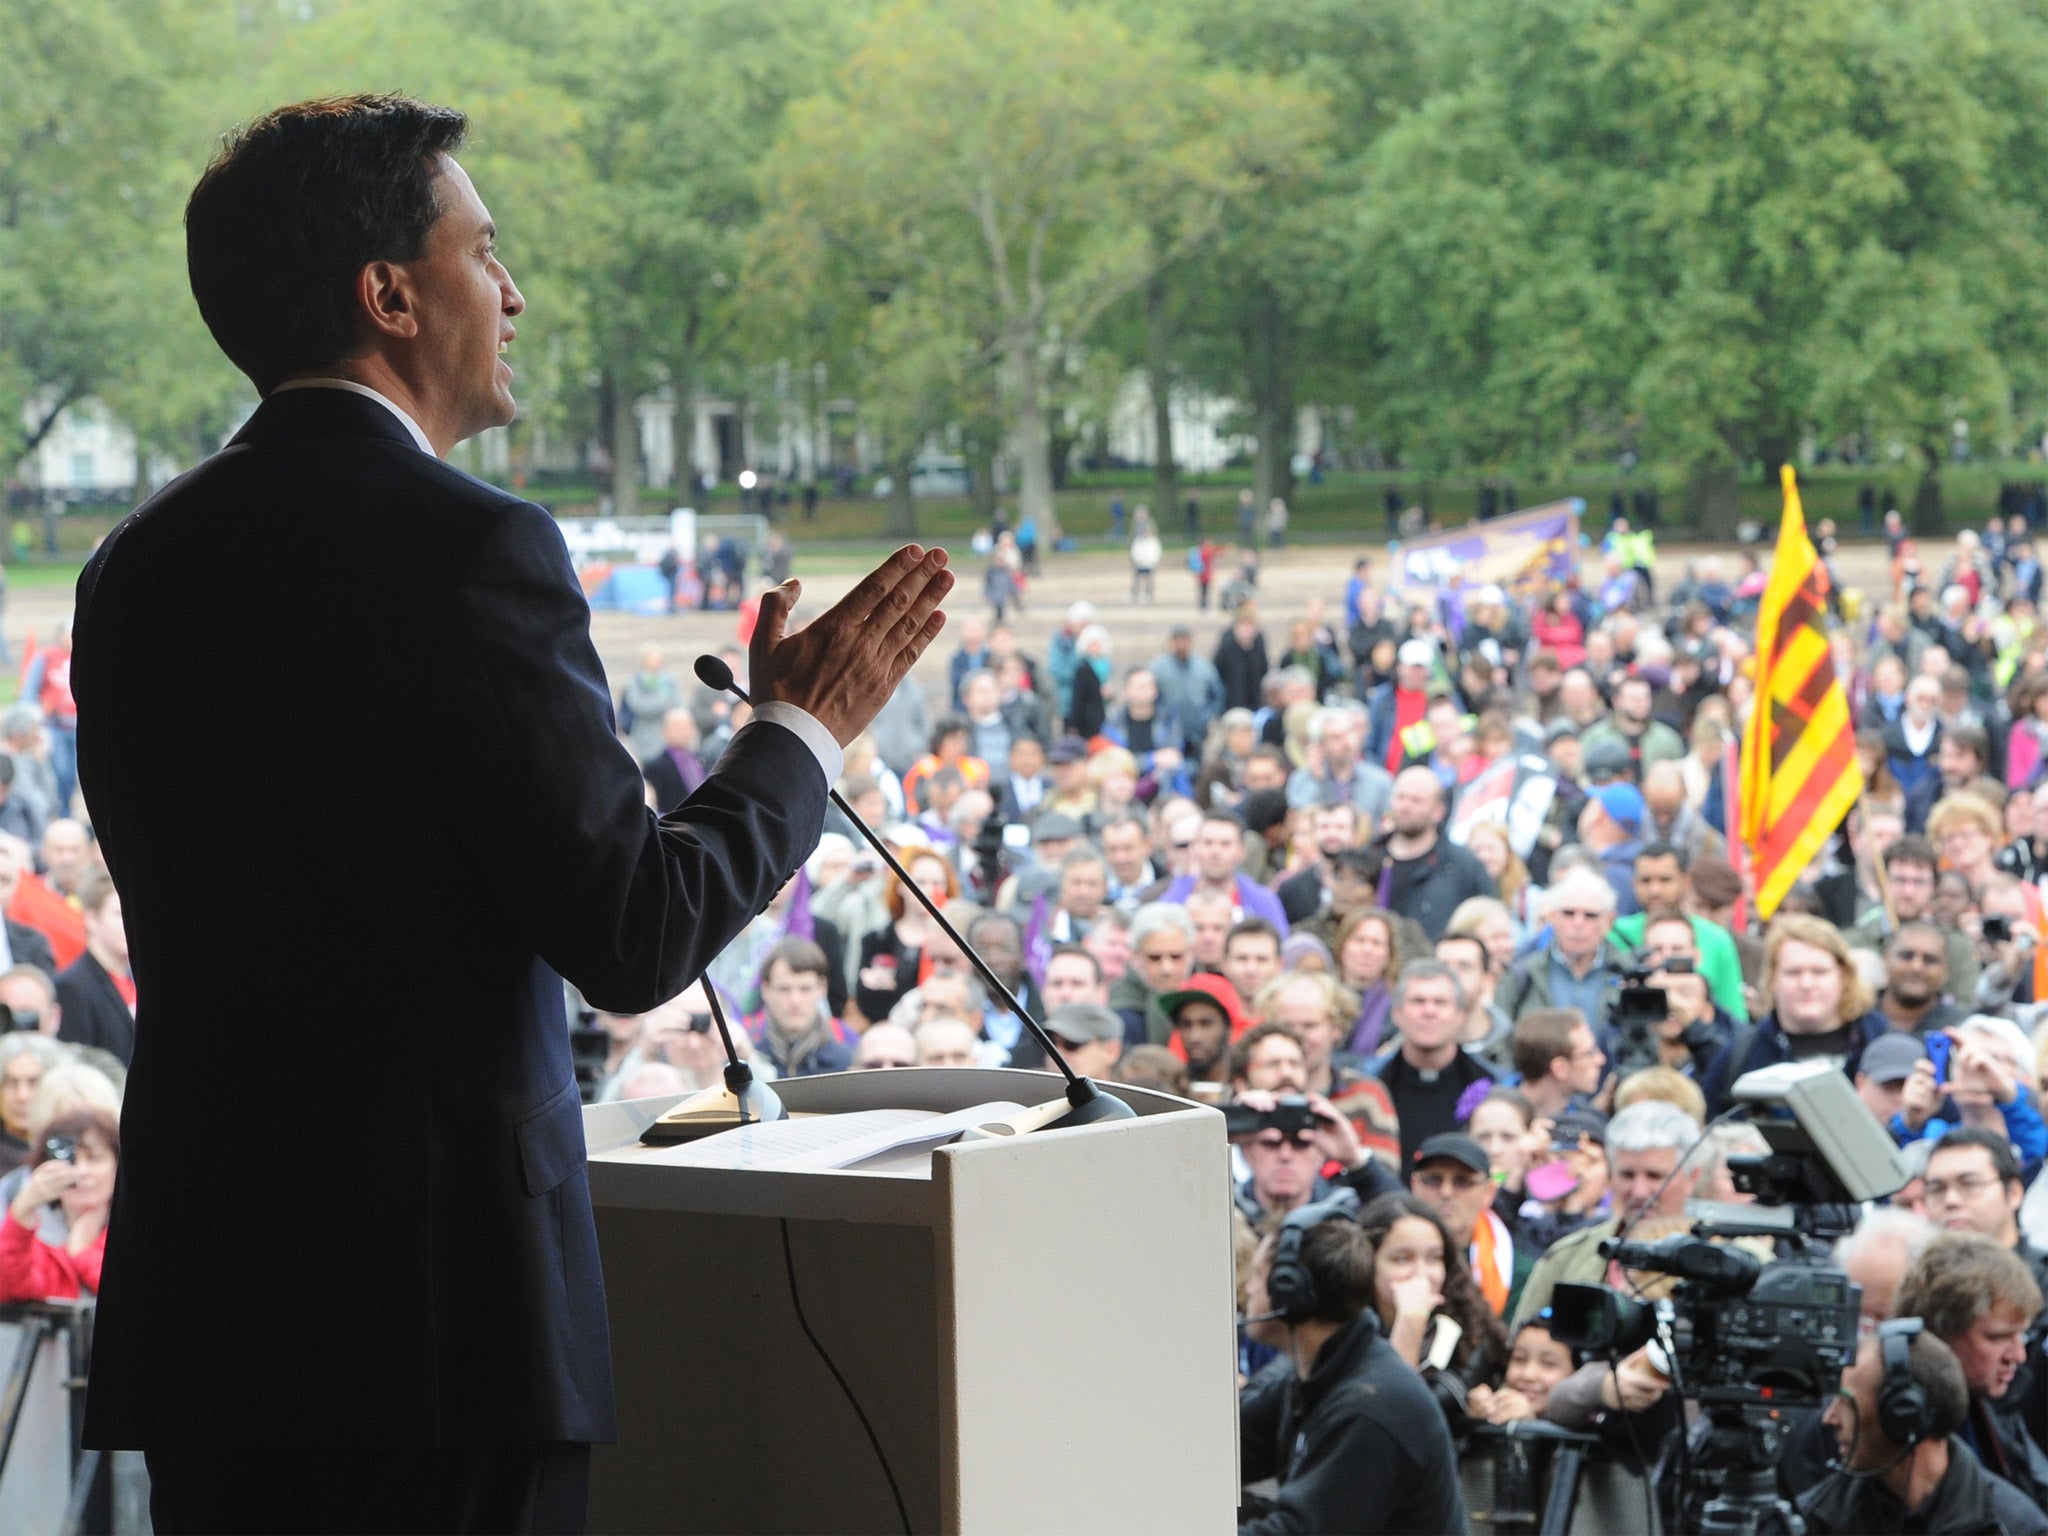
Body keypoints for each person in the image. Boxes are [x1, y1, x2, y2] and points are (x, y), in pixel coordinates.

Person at [76, 95, 955, 1535]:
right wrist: (804, 732)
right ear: (391, 296)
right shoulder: (472, 550)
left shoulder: (134, 568)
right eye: (486, 252)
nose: (516, 288)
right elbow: (634, 929)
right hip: (439, 1327)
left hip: (213, 1312)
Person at [1237, 1204, 1468, 1535]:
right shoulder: (1319, 1379)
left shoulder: (1368, 1406)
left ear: (1290, 1290)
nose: (1249, 1289)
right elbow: (1214, 1453)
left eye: (1258, 1276)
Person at [1804, 1324, 2048, 1536]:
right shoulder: (1815, 1516)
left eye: (1846, 1404)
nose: (1829, 1418)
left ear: (1904, 1415)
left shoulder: (2016, 1527)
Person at [1513, 1099, 1702, 1326]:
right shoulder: (1565, 1257)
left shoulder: (1724, 1261)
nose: (1639, 1191)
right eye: (1627, 1175)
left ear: (1692, 1178)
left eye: (1655, 1176)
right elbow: (1522, 1349)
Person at [1897, 1234, 2048, 1507]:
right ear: (1938, 1334)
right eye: (1997, 1337)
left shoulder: (1993, 1403)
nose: (2018, 1355)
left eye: (2021, 1336)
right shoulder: (1890, 1424)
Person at [1368, 960, 1497, 1168]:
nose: (1429, 1011)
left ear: (1460, 1015)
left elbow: (1500, 1170)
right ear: (1397, 1014)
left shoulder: (1492, 1086)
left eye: (1440, 1002)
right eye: (1418, 1001)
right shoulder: (1369, 1086)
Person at [1409, 1133, 1532, 1320]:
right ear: (1414, 1186)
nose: (1446, 1192)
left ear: (1489, 1192)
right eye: (1433, 1180)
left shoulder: (1517, 1272)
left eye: (1462, 1182)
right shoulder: (1386, 1254)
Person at [0, 1105, 116, 1302]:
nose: (81, 1171)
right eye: (70, 1159)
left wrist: (83, 1254)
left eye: (94, 1158)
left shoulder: (136, 1230)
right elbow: (8, 1284)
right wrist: (23, 1207)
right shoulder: (41, 1238)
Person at [1377, 768, 1496, 940]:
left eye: (1416, 801)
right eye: (1400, 797)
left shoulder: (1463, 865)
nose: (1405, 806)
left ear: (1438, 812)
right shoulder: (1369, 857)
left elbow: (1488, 919)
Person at [54, 871, 133, 1066]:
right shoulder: (72, 986)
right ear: (91, 919)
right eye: (118, 914)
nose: (128, 923)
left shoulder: (134, 979)